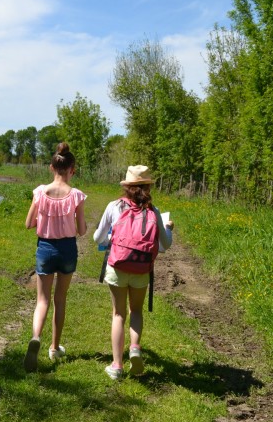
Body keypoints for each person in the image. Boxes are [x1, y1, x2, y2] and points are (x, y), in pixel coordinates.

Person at [93, 165, 173, 379]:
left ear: (127, 187)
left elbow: (97, 238)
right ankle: (135, 347)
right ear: (147, 187)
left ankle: (117, 365)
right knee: (135, 311)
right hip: (141, 269)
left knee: (118, 314)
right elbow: (165, 244)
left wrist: (110, 239)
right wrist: (168, 229)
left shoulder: (114, 206)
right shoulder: (153, 211)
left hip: (117, 267)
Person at [23, 142, 87, 372]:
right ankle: (54, 347)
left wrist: (44, 219)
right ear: (73, 169)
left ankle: (36, 337)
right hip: (68, 249)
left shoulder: (40, 192)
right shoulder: (77, 196)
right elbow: (82, 230)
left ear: (51, 167)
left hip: (45, 249)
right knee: (60, 299)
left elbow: (29, 223)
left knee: (42, 300)